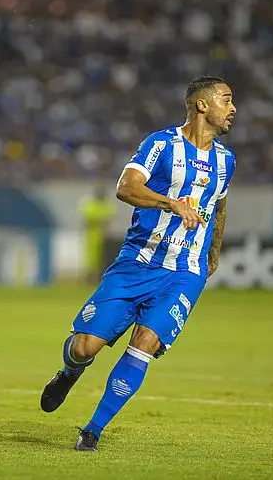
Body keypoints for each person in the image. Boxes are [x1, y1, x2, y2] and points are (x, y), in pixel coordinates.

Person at [40, 76, 237, 451]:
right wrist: (171, 203)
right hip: (137, 264)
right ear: (202, 105)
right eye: (226, 100)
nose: (233, 108)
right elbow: (125, 188)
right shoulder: (160, 144)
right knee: (84, 347)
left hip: (184, 273)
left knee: (145, 343)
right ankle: (68, 373)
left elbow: (220, 205)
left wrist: (213, 253)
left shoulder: (226, 159)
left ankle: (92, 430)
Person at [79, 184, 116, 284]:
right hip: (91, 236)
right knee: (91, 260)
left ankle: (98, 280)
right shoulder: (90, 204)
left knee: (102, 260)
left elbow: (107, 220)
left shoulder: (106, 205)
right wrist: (100, 221)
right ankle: (88, 280)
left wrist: (99, 221)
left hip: (104, 236)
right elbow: (89, 220)